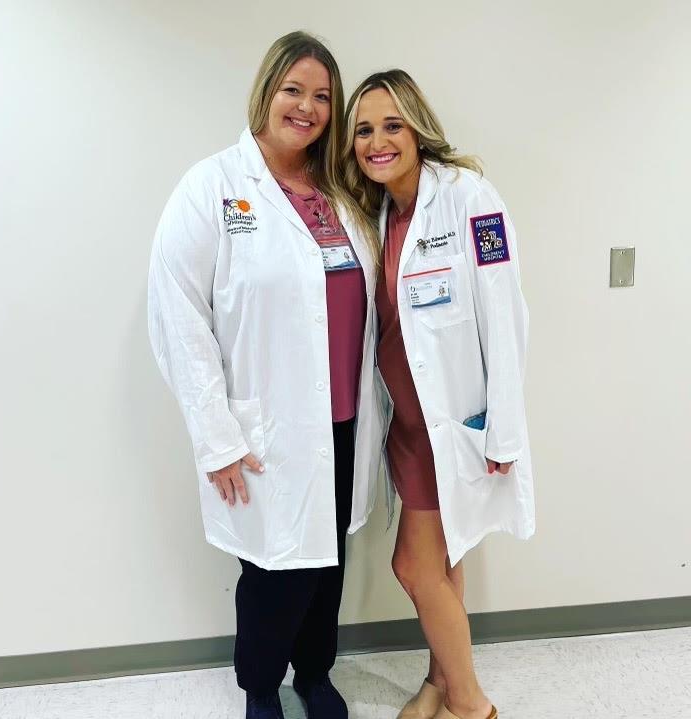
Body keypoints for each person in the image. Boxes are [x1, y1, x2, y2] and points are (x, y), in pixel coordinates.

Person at [148, 31, 383, 719]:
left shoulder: (341, 193)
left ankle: (314, 674)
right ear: (266, 91)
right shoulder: (214, 186)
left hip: (343, 417)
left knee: (327, 561)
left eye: (322, 96)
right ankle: (259, 683)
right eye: (294, 90)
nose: (307, 107)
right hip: (265, 424)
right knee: (273, 568)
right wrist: (215, 435)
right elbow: (177, 313)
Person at [343, 70, 535, 719]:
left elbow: (506, 316)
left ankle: (473, 705)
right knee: (443, 562)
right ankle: (439, 683)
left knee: (414, 566)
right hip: (405, 427)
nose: (377, 141)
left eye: (391, 125)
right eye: (364, 130)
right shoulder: (375, 213)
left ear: (417, 127)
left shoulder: (470, 199)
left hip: (452, 427)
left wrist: (505, 428)